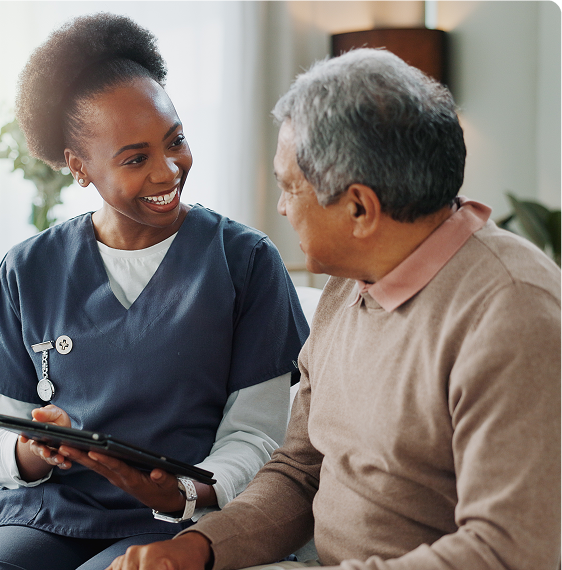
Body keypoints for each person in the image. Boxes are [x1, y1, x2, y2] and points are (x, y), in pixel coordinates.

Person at [106, 48, 562, 570]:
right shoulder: (350, 284)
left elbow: (507, 553)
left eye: (289, 188)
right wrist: (199, 549)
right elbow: (301, 471)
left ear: (360, 209)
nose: (280, 207)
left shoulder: (514, 313)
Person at [0, 13, 309, 570]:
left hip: (180, 518)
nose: (168, 170)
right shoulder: (28, 270)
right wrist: (33, 452)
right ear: (79, 167)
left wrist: (184, 491)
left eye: (175, 140)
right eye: (136, 158)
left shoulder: (245, 263)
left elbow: (259, 437)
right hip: (50, 511)